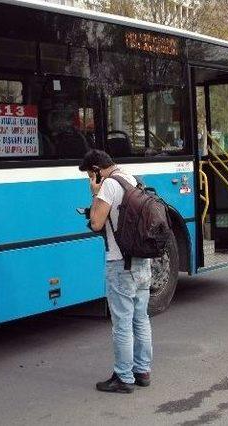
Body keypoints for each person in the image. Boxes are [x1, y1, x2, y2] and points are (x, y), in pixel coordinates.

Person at [79, 149, 152, 394]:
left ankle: (124, 378)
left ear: (97, 170)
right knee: (141, 319)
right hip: (143, 261)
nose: (90, 178)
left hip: (121, 263)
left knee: (122, 323)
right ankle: (142, 371)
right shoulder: (132, 179)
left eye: (90, 174)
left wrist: (95, 194)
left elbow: (96, 223)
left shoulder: (109, 185)